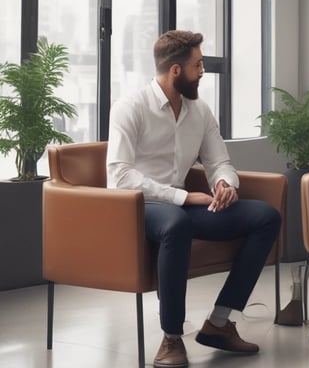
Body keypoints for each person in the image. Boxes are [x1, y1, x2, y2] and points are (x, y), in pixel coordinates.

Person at [106, 30, 281, 368]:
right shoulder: (131, 107)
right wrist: (183, 197)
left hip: (184, 206)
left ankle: (218, 323)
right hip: (139, 207)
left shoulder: (199, 110)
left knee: (265, 216)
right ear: (175, 70)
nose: (203, 71)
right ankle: (171, 338)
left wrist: (225, 185)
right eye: (197, 65)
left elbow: (219, 162)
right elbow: (120, 176)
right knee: (177, 222)